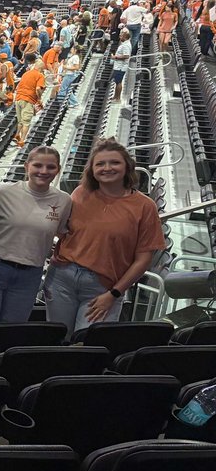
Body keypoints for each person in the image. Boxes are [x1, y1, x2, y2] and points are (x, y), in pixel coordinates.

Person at [45, 139, 165, 335]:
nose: (107, 168)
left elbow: (143, 259)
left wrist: (114, 294)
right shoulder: (80, 193)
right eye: (100, 164)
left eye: (114, 162)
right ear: (92, 169)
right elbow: (64, 230)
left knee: (87, 342)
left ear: (127, 166)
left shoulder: (144, 206)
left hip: (103, 287)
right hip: (61, 277)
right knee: (59, 337)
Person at [0, 146, 71, 337]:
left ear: (58, 169)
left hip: (30, 276)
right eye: (37, 165)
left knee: (11, 331)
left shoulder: (64, 200)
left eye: (51, 167)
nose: (44, 171)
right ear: (26, 166)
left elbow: (63, 233)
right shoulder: (4, 191)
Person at [111, 27, 132, 103]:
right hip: (118, 66)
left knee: (119, 82)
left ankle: (118, 98)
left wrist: (115, 57)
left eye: (121, 36)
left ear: (125, 37)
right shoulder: (124, 43)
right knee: (117, 82)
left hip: (121, 67)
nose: (119, 37)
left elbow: (126, 56)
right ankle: (115, 97)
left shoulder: (126, 45)